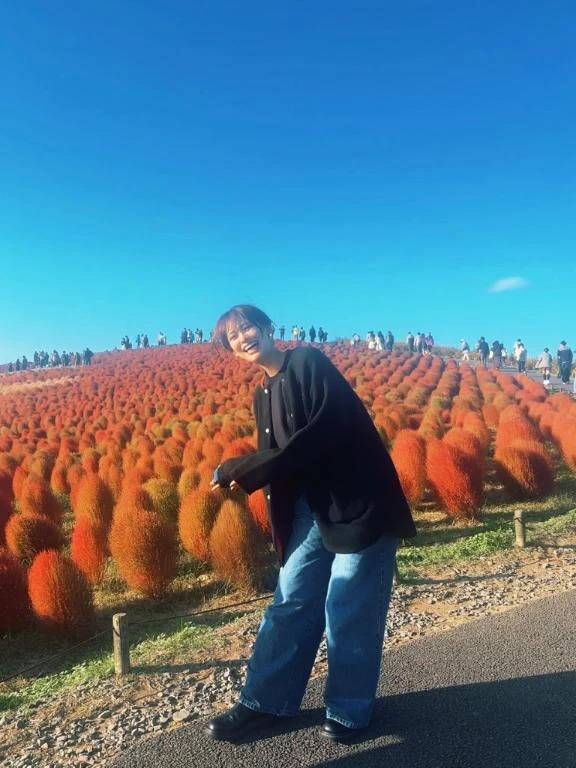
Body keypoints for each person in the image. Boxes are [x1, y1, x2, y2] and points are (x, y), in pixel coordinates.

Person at [208, 304, 416, 743]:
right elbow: (284, 467)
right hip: (311, 508)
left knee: (348, 606)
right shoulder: (262, 394)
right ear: (232, 351)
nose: (244, 337)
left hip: (358, 501)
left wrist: (244, 468)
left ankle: (349, 710)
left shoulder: (307, 362)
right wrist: (256, 484)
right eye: (234, 337)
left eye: (248, 327)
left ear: (267, 327)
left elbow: (321, 434)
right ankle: (265, 704)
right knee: (291, 601)